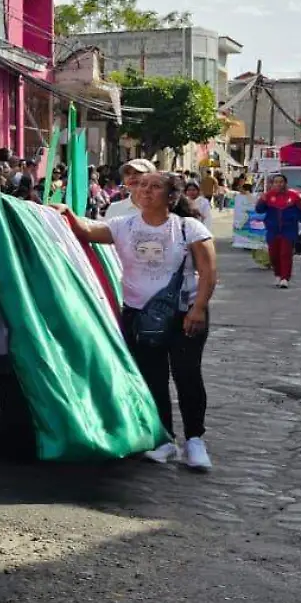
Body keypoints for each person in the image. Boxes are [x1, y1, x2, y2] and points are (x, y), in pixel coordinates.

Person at [65, 170, 218, 471]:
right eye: (141, 186)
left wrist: (198, 308)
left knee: (187, 374)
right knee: (153, 377)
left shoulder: (189, 228)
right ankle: (163, 440)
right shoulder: (123, 226)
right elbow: (85, 231)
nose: (146, 191)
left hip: (183, 314)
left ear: (171, 196)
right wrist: (65, 212)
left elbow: (209, 272)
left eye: (155, 187)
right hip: (139, 315)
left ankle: (195, 440)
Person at [256, 173, 301, 288]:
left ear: (285, 183)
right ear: (272, 184)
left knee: (285, 254)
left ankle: (285, 278)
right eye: (276, 182)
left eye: (281, 182)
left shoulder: (294, 197)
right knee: (273, 255)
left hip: (288, 230)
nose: (278, 184)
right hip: (272, 230)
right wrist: (262, 200)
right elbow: (259, 210)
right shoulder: (268, 196)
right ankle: (278, 274)